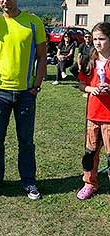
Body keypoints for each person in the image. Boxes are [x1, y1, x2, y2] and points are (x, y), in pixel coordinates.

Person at [0, 0, 47, 200]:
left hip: (26, 94)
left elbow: (42, 57)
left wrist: (36, 86)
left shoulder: (33, 22)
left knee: (26, 141)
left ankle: (28, 182)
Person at [77, 22, 110, 200]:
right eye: (95, 38)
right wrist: (91, 89)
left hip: (109, 117)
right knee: (90, 154)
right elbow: (82, 85)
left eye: (102, 39)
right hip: (93, 116)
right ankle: (89, 183)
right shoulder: (89, 59)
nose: (97, 43)